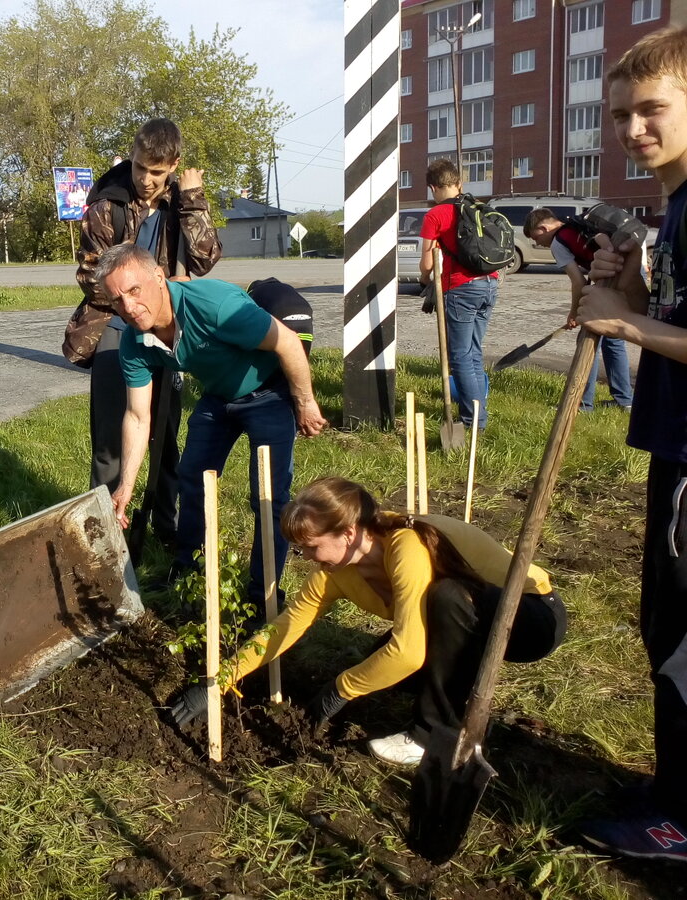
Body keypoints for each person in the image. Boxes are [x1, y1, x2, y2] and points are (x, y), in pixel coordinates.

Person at [171, 477, 566, 767]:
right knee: (384, 664)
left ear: (347, 533)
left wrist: (341, 687)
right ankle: (460, 707)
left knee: (443, 601)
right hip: (471, 627)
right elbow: (285, 626)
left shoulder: (405, 545)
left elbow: (410, 652)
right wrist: (219, 681)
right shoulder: (335, 570)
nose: (306, 557)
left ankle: (429, 735)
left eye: (310, 547)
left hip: (530, 618)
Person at [576, 26, 687, 861]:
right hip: (671, 441)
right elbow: (668, 314)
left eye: (651, 109)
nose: (631, 129)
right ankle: (673, 785)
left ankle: (680, 824)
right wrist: (627, 283)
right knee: (664, 620)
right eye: (619, 115)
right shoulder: (676, 206)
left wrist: (624, 321)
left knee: (686, 631)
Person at [98, 243, 326, 606]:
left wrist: (305, 402)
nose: (127, 307)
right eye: (116, 300)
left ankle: (263, 595)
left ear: (158, 277)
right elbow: (138, 416)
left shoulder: (216, 306)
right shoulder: (134, 341)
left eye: (134, 290)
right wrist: (125, 486)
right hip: (218, 398)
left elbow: (288, 343)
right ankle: (188, 576)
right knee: (193, 479)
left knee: (268, 497)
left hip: (270, 393)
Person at [63, 118, 222, 548]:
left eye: (156, 172)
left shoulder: (179, 200)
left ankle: (164, 527)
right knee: (111, 439)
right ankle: (105, 532)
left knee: (166, 434)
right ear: (130, 156)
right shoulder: (106, 203)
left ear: (173, 165)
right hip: (114, 324)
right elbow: (89, 276)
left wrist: (192, 199)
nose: (146, 180)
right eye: (139, 168)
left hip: (170, 327)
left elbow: (206, 260)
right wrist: (137, 296)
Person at [523, 208, 633, 411]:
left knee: (587, 340)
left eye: (535, 237)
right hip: (627, 275)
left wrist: (574, 313)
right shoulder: (578, 226)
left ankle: (582, 403)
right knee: (613, 340)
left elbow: (578, 281)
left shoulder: (559, 241)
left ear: (543, 227)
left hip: (609, 282)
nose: (537, 243)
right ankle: (624, 401)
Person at [419, 158, 499, 429]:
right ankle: (479, 416)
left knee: (461, 356)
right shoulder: (479, 207)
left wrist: (423, 279)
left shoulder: (435, 215)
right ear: (459, 183)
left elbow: (428, 262)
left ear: (433, 188)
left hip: (460, 287)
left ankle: (473, 421)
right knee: (473, 353)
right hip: (490, 282)